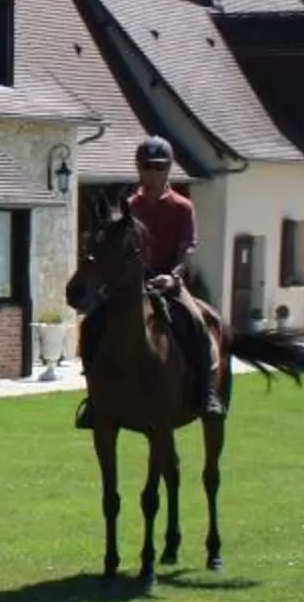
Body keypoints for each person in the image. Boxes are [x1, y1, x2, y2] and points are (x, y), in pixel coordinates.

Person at [83, 138, 221, 420]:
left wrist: (172, 277)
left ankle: (207, 395)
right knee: (92, 323)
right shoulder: (129, 207)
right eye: (146, 167)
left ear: (168, 169)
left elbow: (187, 247)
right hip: (132, 285)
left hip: (169, 282)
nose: (152, 173)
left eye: (158, 167)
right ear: (139, 169)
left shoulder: (182, 206)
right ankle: (94, 399)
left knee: (197, 322)